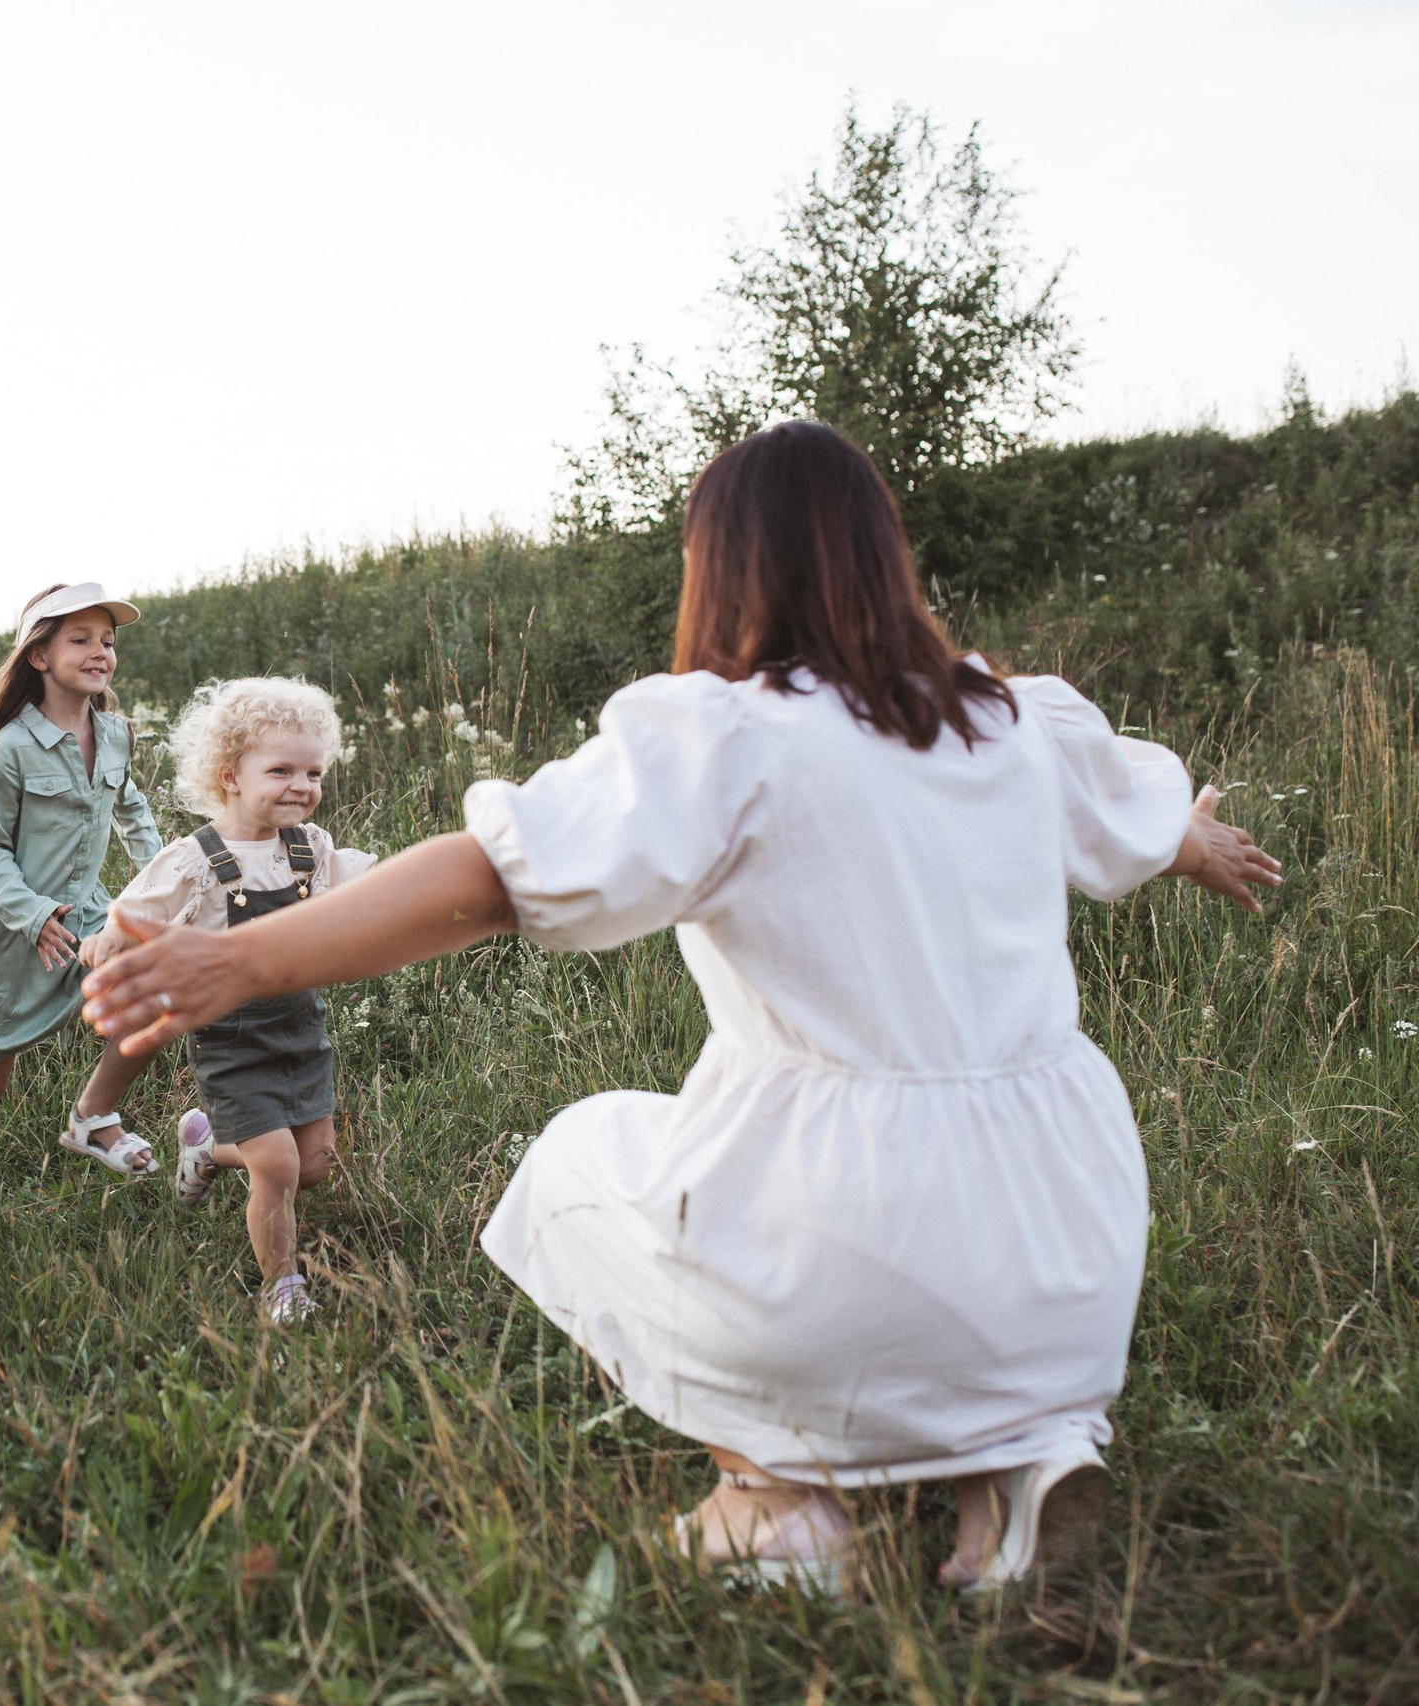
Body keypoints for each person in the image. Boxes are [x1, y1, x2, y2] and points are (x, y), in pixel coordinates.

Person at [81, 421, 1278, 1588]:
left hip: (848, 1240)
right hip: (1068, 1245)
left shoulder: (726, 734)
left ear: (723, 567)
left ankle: (777, 1491)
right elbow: (1134, 811)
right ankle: (1019, 1457)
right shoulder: (1009, 719)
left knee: (574, 1158)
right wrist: (1196, 841)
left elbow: (486, 875)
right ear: (883, 555)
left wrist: (242, 962)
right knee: (961, 1302)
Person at [83, 678, 373, 1324]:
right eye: (281, 770)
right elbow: (135, 909)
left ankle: (207, 1144)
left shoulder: (311, 849)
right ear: (229, 776)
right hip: (230, 1036)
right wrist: (108, 942)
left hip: (302, 1031)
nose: (301, 785)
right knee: (277, 1165)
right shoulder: (196, 859)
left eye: (312, 771)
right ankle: (283, 1286)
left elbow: (366, 893)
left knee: (315, 1164)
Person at [0, 583, 167, 1193]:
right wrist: (33, 912)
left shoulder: (117, 735)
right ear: (39, 657)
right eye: (80, 639)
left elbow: (135, 813)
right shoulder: (13, 745)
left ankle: (92, 1118)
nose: (99, 651)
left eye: (107, 640)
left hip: (95, 921)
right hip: (19, 933)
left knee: (151, 1005)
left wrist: (156, 891)